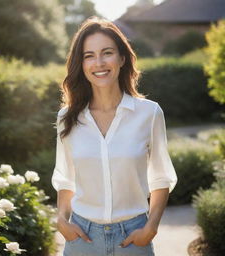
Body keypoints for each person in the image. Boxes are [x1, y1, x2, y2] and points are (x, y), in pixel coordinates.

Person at [51, 16, 177, 256]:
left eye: (106, 52)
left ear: (121, 58)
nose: (98, 63)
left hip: (133, 238)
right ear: (81, 64)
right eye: (89, 55)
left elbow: (161, 178)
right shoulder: (67, 117)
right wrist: (61, 220)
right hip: (81, 238)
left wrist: (151, 227)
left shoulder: (149, 113)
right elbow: (66, 178)